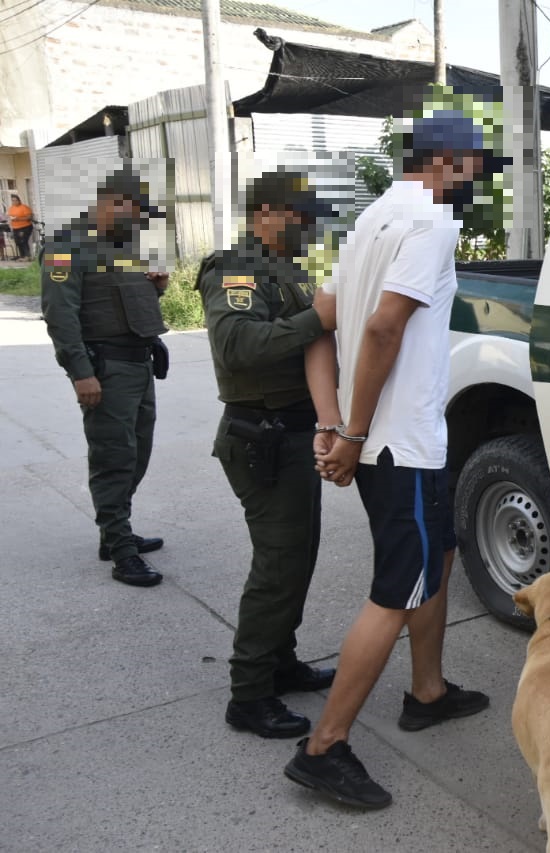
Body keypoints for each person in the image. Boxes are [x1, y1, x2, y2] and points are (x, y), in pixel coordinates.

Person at [284, 112, 497, 809]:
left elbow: (319, 326)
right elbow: (381, 328)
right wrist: (349, 431)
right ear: (450, 162)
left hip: (386, 442)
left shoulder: (373, 218)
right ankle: (324, 747)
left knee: (439, 555)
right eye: (476, 167)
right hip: (397, 444)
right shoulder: (430, 222)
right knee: (397, 588)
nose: (477, 180)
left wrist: (331, 421)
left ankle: (427, 691)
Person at [195, 170, 340, 739]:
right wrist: (316, 320)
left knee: (298, 558)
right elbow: (236, 345)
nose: (307, 229)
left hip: (292, 435)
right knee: (277, 566)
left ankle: (280, 660)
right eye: (298, 218)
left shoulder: (284, 268)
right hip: (262, 439)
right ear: (264, 214)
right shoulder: (236, 268)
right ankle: (250, 693)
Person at [41, 167, 170, 587]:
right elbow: (60, 316)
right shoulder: (65, 246)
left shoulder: (122, 245)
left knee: (138, 454)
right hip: (107, 370)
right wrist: (81, 373)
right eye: (136, 213)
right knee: (113, 459)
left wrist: (157, 287)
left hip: (139, 364)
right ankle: (121, 551)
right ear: (111, 203)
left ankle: (113, 532)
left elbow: (121, 299)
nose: (140, 222)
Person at [9, 193, 34, 259]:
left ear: (19, 200)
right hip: (15, 228)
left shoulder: (24, 207)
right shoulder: (11, 208)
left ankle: (27, 256)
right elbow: (10, 216)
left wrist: (18, 219)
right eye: (13, 200)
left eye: (15, 200)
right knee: (17, 242)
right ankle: (22, 256)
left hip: (25, 227)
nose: (14, 202)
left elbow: (29, 217)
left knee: (23, 240)